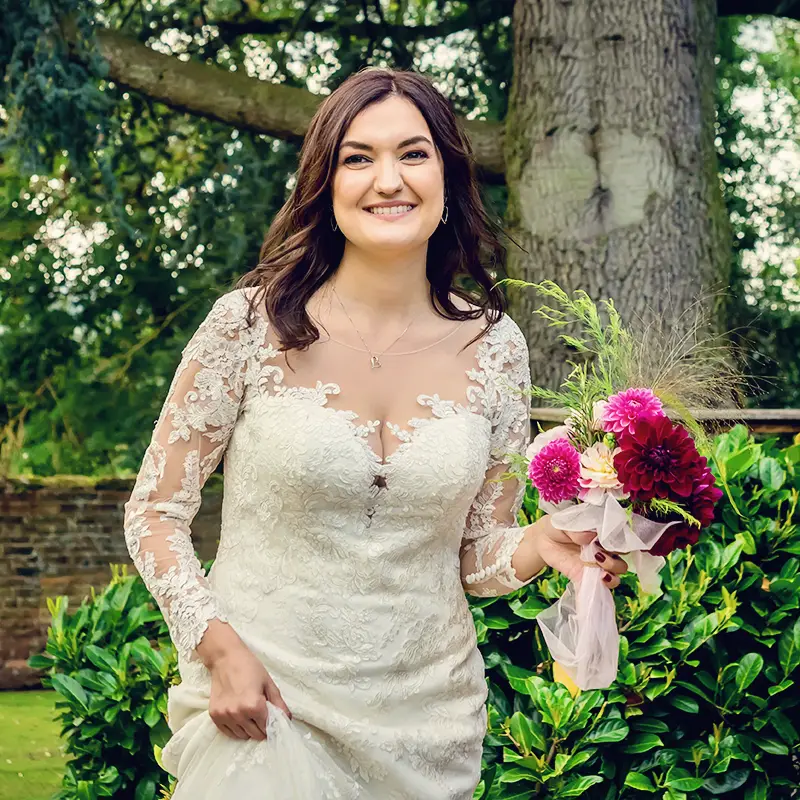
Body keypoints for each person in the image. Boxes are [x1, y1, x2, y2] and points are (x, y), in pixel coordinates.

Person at [122, 67, 626, 800]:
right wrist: (215, 646)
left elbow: (474, 556)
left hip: (431, 725)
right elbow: (155, 513)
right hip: (265, 707)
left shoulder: (498, 347)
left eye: (413, 154)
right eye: (358, 158)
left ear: (449, 176)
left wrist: (541, 544)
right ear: (325, 184)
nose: (388, 179)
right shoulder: (246, 326)